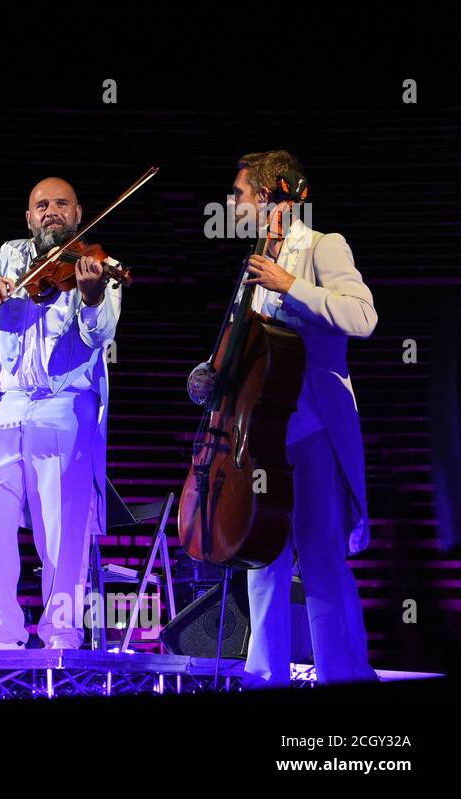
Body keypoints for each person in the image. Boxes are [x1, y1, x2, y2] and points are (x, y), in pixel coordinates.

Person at [187, 150, 378, 686]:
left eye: (239, 193)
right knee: (261, 560)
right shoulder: (255, 261)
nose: (232, 203)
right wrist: (211, 375)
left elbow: (362, 316)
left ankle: (343, 676)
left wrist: (290, 286)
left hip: (312, 428)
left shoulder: (323, 245)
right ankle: (262, 676)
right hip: (259, 433)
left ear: (270, 195)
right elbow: (252, 347)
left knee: (321, 559)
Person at [0, 178, 119, 650]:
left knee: (62, 526)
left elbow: (101, 336)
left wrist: (93, 297)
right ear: (29, 217)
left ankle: (61, 633)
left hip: (65, 404)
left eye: (61, 204)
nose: (51, 212)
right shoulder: (11, 255)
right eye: (41, 205)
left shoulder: (99, 265)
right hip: (10, 403)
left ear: (79, 213)